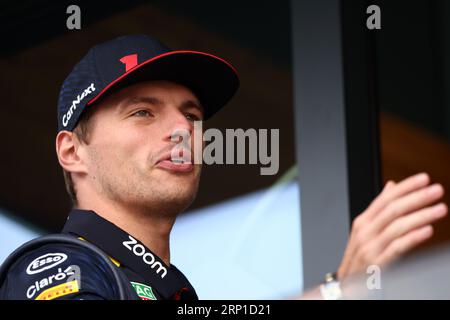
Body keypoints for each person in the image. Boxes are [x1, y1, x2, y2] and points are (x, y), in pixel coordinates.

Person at [0, 34, 446, 300]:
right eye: (143, 112)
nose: (182, 130)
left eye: (192, 116)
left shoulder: (165, 288)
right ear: (72, 151)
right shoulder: (62, 265)